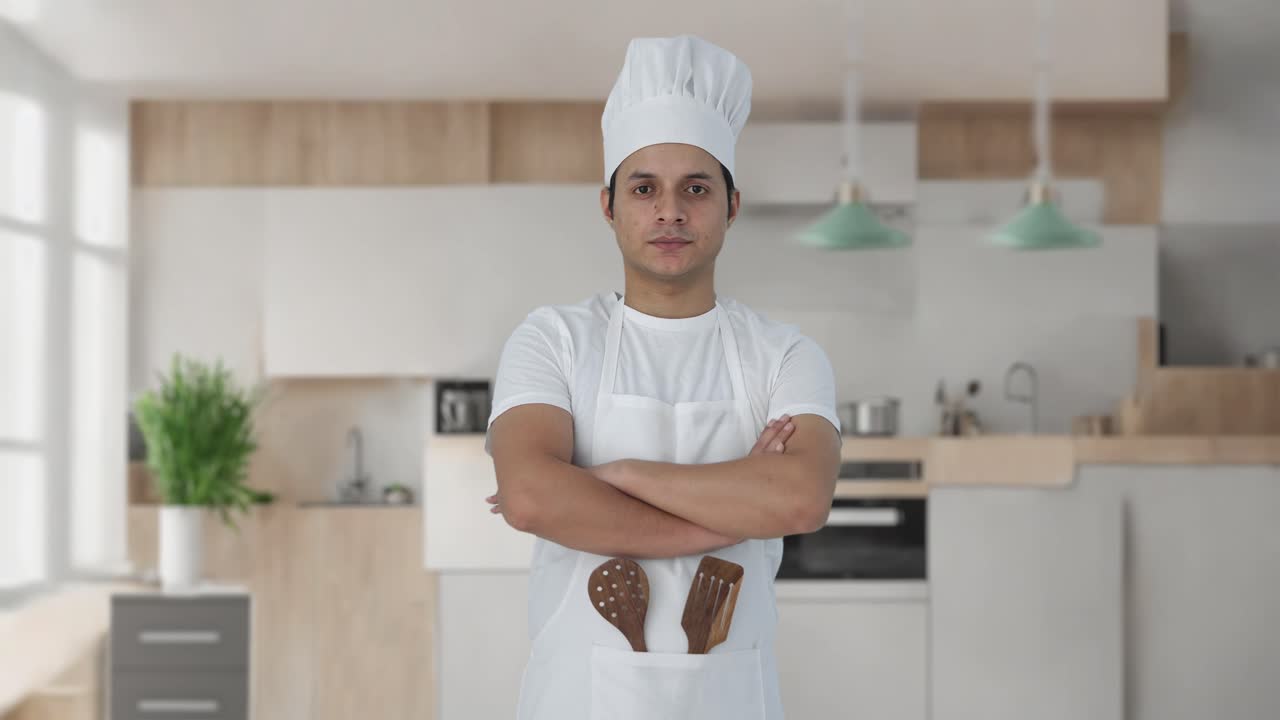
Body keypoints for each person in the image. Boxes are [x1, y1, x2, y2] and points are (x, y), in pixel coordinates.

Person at [484, 34, 842, 720]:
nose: (670, 211)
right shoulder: (553, 340)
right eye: (644, 188)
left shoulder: (785, 355)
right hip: (577, 701)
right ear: (609, 206)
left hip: (731, 698)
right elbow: (529, 497)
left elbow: (799, 501)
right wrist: (731, 512)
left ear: (732, 206)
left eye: (696, 189)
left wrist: (614, 476)